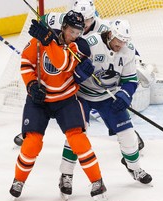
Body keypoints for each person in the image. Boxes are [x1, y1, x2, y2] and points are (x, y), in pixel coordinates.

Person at [14, 0, 145, 151]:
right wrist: (44, 33)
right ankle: (31, 131)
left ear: (94, 16)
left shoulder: (105, 28)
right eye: (81, 18)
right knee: (48, 97)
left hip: (92, 73)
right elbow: (43, 21)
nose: (84, 23)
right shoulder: (63, 19)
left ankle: (128, 132)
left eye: (88, 19)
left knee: (107, 102)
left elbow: (124, 46)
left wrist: (136, 59)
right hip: (66, 71)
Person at [9, 10, 107, 201]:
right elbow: (26, 63)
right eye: (71, 31)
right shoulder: (43, 39)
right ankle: (18, 180)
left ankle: (97, 182)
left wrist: (48, 42)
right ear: (63, 27)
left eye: (78, 32)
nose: (74, 35)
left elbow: (60, 63)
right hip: (40, 100)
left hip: (66, 99)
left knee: (78, 140)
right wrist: (31, 84)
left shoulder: (79, 47)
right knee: (32, 143)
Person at [58, 19, 152, 200]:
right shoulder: (90, 43)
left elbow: (130, 80)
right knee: (76, 135)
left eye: (124, 41)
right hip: (82, 95)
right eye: (118, 40)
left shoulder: (128, 50)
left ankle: (134, 168)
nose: (120, 45)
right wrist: (80, 73)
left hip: (109, 96)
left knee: (129, 135)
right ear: (110, 34)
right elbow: (68, 71)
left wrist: (125, 95)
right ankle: (66, 175)